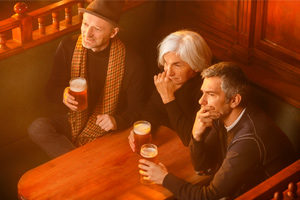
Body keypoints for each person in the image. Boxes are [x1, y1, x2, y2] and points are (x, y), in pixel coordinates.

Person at [138, 62, 295, 199]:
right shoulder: (223, 116)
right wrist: (197, 136)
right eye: (203, 93)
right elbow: (203, 168)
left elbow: (209, 196)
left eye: (211, 94)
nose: (201, 101)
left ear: (234, 100)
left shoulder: (248, 140)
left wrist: (165, 179)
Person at [28, 0, 148, 158]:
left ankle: (76, 161)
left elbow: (138, 110)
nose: (87, 33)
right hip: (74, 120)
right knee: (37, 127)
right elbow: (51, 90)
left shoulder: (132, 62)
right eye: (85, 24)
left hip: (107, 128)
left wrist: (117, 121)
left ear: (113, 33)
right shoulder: (68, 46)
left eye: (97, 29)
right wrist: (63, 94)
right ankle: (80, 161)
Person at [128, 30, 212, 150]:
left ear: (196, 66)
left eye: (177, 65)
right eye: (166, 63)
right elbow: (151, 111)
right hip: (168, 144)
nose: (168, 72)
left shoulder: (207, 91)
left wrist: (168, 98)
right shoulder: (168, 79)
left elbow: (190, 139)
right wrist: (140, 129)